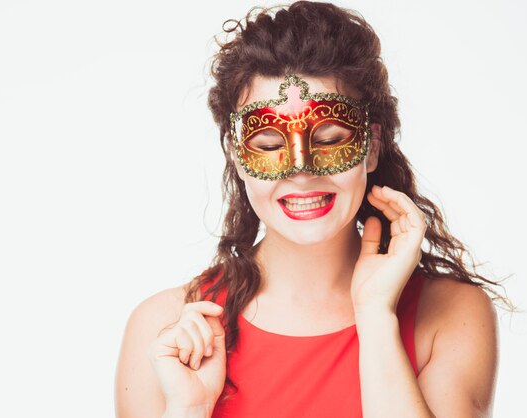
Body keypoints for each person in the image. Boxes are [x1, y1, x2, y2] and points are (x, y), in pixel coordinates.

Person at [115, 2, 513, 417]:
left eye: (329, 139)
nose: (301, 170)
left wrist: (376, 316)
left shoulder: (450, 315)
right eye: (269, 146)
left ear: (370, 146)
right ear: (236, 155)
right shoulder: (164, 327)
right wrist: (189, 409)